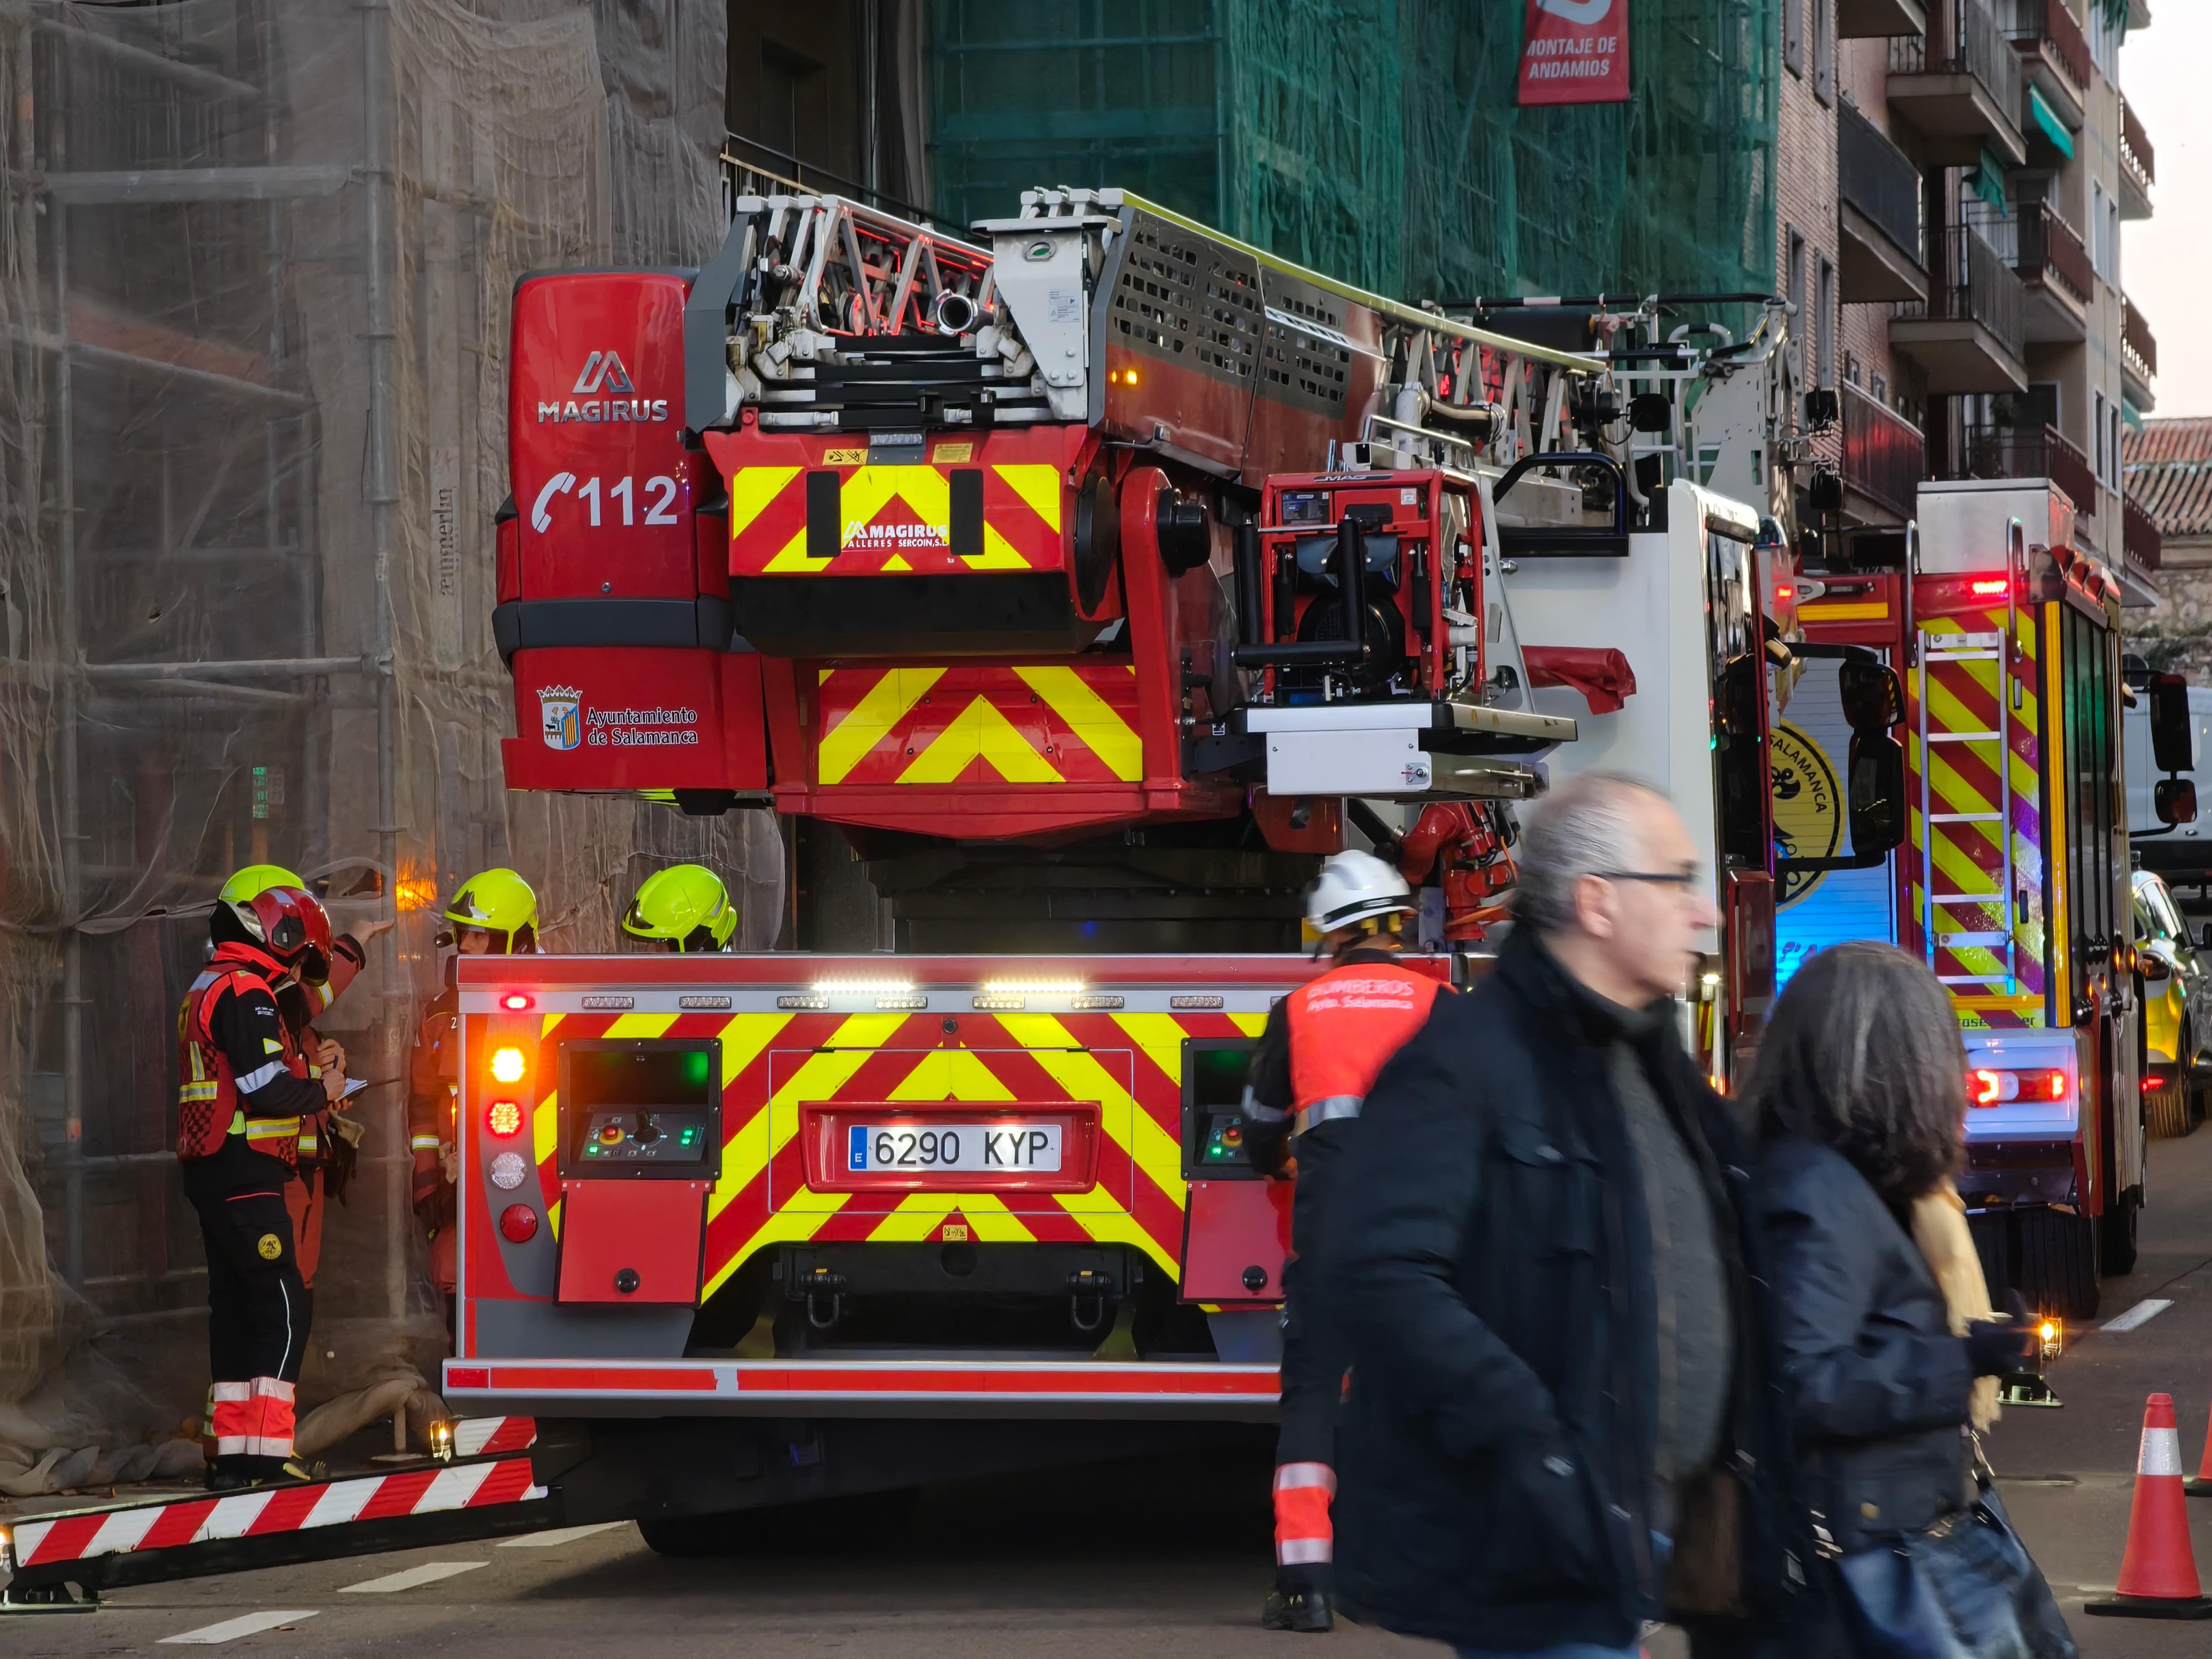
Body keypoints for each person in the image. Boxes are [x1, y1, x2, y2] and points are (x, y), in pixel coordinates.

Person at [1315, 773, 1799, 1657]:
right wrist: (1538, 1445)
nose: (1702, 914)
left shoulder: (1651, 1058)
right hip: (1542, 1558)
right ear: (1597, 903)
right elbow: (1376, 1272)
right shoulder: (1470, 1062)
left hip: (1648, 1541)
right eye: (1677, 882)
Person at [1731, 942, 2041, 1659]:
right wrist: (1958, 1361)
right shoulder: (1817, 1192)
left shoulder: (1834, 1178)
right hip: (1851, 1572)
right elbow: (1804, 1383)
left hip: (1860, 1554)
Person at [1239, 848, 1450, 1634]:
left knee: (1312, 1400)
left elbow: (1260, 1130)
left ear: (1328, 933)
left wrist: (1286, 1158)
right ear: (1397, 924)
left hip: (1330, 1238)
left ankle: (1306, 1586)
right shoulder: (1441, 1006)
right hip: (1425, 1243)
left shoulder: (1297, 1012)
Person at [177, 881, 346, 1489]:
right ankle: (269, 1455)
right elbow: (264, 1086)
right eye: (301, 957)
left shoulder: (207, 983)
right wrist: (323, 1092)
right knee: (280, 1307)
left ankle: (235, 1457)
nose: (298, 972)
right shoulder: (246, 991)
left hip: (211, 1170)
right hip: (246, 1170)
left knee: (235, 1311)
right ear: (284, 938)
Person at [218, 865, 386, 1321]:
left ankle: (265, 1386)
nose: (302, 972)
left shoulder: (261, 997)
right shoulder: (251, 1000)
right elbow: (270, 1078)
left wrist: (358, 939)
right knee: (280, 1287)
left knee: (284, 1282)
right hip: (274, 1168)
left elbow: (314, 1003)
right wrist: (321, 1080)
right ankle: (269, 1386)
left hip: (289, 1166)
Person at [410, 868, 539, 1304]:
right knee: (455, 1280)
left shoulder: (557, 1006)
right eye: (464, 933)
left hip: (534, 1179)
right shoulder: (439, 1014)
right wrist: (426, 1176)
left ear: (516, 940)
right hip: (457, 1180)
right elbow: (424, 1102)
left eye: (481, 936)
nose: (465, 945)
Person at [621, 864, 737, 953]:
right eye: (650, 943)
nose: (649, 951)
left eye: (661, 943)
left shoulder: (736, 983)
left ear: (697, 941)